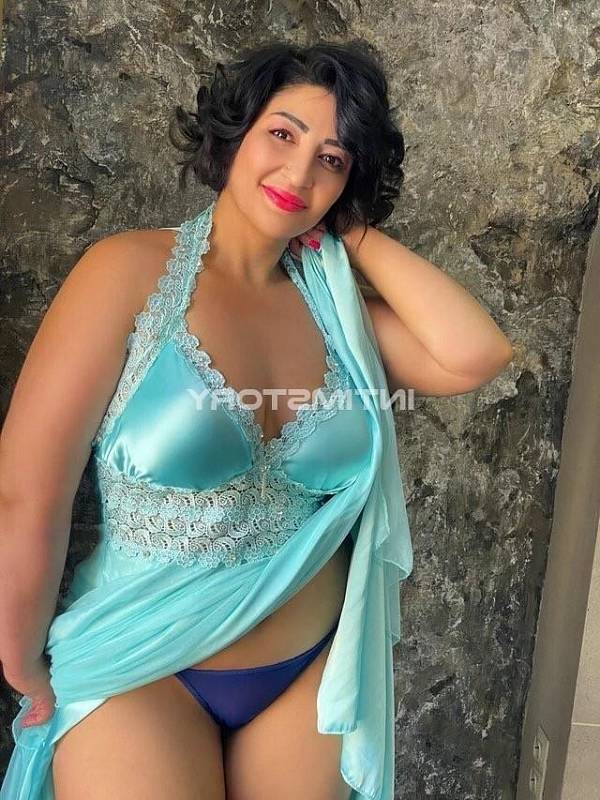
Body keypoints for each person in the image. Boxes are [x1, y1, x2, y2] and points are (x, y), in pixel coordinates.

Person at [0, 39, 513, 799]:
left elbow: (475, 354)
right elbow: (28, 493)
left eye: (332, 159)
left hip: (305, 678)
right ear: (234, 133)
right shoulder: (125, 272)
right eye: (282, 134)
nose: (300, 174)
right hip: (144, 668)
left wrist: (350, 230)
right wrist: (20, 662)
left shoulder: (336, 309)